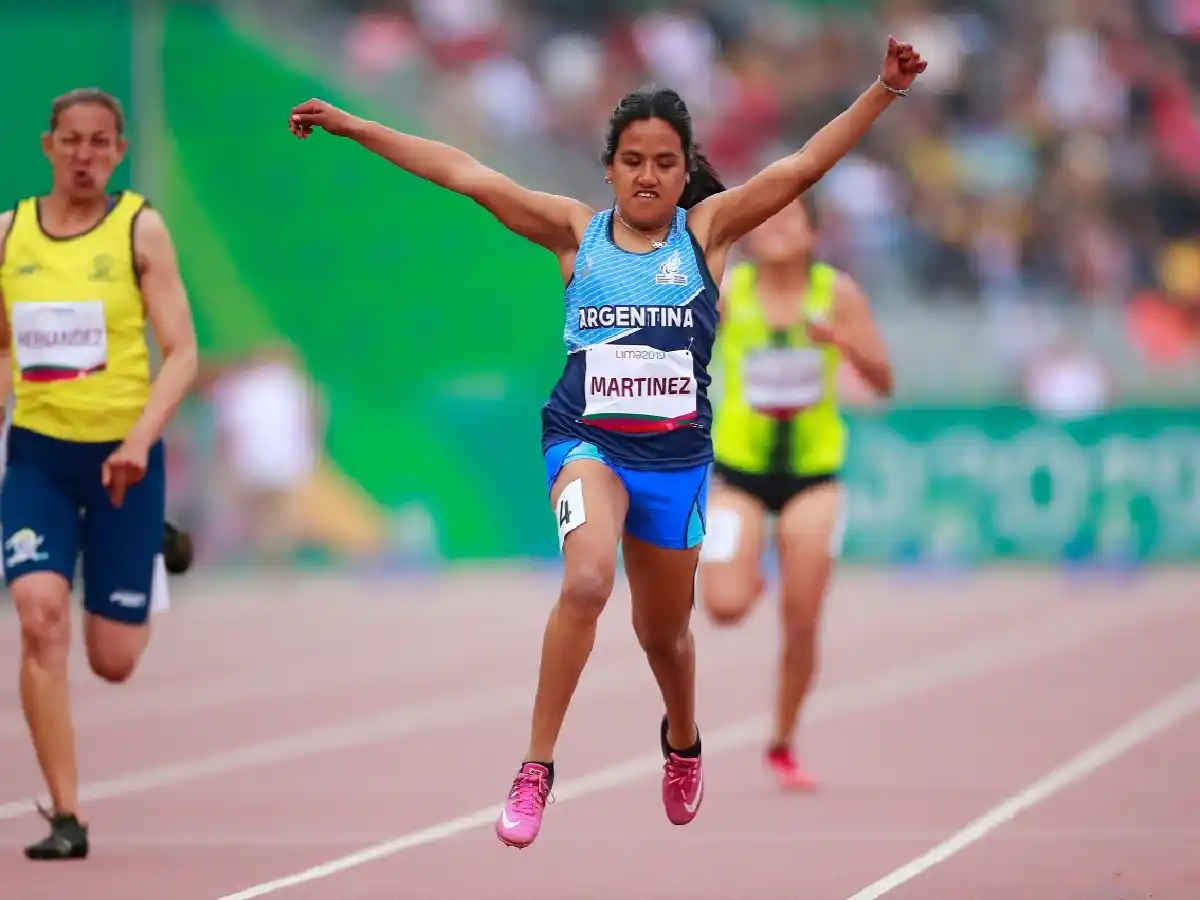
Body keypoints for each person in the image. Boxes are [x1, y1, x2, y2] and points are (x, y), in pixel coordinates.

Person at [289, 37, 925, 850]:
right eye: (633, 161)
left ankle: (684, 740)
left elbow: (801, 167)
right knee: (587, 579)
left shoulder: (710, 232)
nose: (649, 176)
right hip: (584, 440)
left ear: (685, 167)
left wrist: (883, 89)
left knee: (665, 635)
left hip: (676, 463)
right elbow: (461, 172)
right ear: (610, 168)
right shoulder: (572, 234)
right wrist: (354, 125)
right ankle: (535, 768)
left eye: (665, 162)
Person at [0, 87, 199, 860]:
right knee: (39, 616)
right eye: (71, 141)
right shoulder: (11, 235)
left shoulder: (139, 230)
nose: (84, 156)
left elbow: (181, 352)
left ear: (118, 151)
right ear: (48, 144)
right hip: (40, 459)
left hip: (124, 462)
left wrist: (140, 439)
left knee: (112, 660)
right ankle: (66, 815)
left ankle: (149, 538)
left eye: (100, 143)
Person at [698, 194, 893, 791]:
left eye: (791, 218)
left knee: (802, 618)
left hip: (814, 475)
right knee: (724, 607)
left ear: (812, 231)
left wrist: (842, 341)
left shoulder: (837, 294)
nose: (777, 226)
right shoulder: (731, 290)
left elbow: (883, 381)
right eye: (767, 219)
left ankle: (782, 740)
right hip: (739, 472)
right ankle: (749, 567)